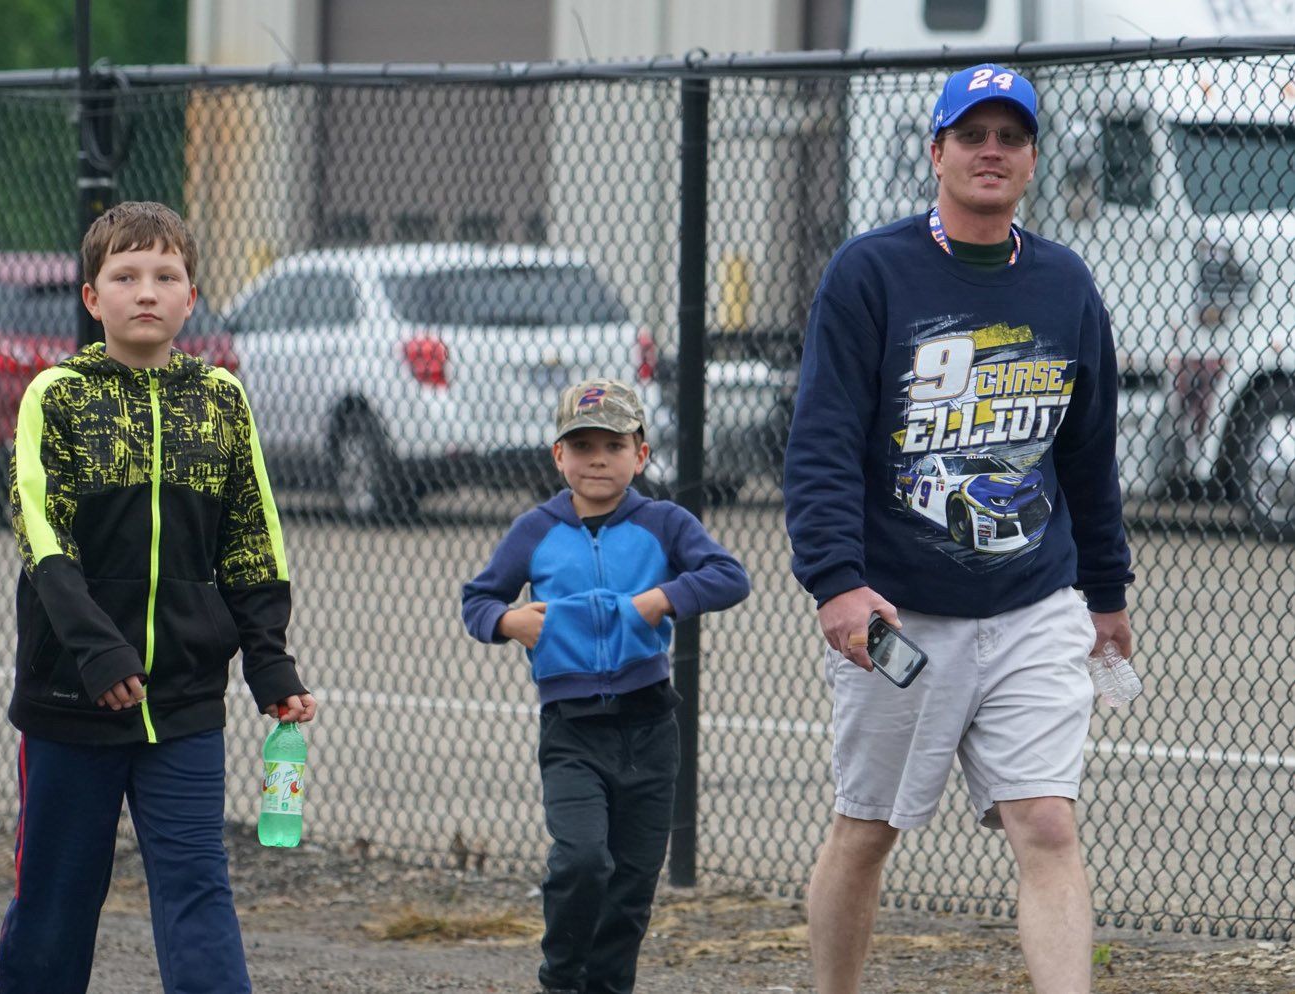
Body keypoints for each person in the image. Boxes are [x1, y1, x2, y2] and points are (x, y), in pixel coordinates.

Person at [783, 65, 1134, 994]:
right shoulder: (872, 271)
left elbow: (1089, 455)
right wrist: (836, 582)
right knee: (867, 832)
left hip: (1032, 603)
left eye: (1010, 137)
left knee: (1048, 824)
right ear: (935, 152)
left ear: (1030, 160)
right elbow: (819, 443)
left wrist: (1107, 594)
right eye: (970, 135)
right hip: (900, 614)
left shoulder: (1064, 281)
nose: (991, 151)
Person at [0, 200, 317, 994]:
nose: (146, 291)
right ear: (91, 298)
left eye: (165, 275)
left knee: (198, 889)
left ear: (191, 297)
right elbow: (44, 537)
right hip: (73, 698)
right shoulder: (57, 396)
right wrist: (96, 649)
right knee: (56, 899)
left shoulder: (221, 401)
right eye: (125, 275)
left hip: (183, 701)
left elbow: (251, 538)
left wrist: (269, 665)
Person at [462, 379, 750, 994]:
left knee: (630, 890)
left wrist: (663, 599)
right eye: (582, 444)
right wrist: (508, 621)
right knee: (583, 861)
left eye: (614, 445)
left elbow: (730, 576)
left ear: (640, 455)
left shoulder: (664, 523)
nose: (598, 458)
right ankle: (560, 977)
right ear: (557, 456)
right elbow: (478, 599)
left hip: (649, 730)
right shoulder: (535, 530)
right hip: (572, 733)